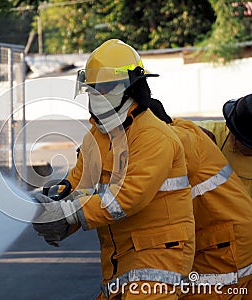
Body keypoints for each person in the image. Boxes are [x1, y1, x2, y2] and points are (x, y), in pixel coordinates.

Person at [32, 39, 195, 299]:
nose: (97, 96)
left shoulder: (153, 135)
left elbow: (128, 196)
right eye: (92, 89)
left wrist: (69, 214)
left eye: (106, 88)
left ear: (133, 88)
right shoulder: (95, 138)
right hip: (119, 258)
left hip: (160, 257)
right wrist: (54, 207)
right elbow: (79, 186)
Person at [150, 98, 252, 299]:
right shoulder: (206, 134)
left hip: (232, 243)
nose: (235, 142)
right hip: (215, 239)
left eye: (244, 142)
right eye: (233, 132)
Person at [195, 94, 252, 196]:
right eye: (232, 133)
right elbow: (174, 131)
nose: (233, 142)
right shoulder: (211, 134)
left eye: (241, 140)